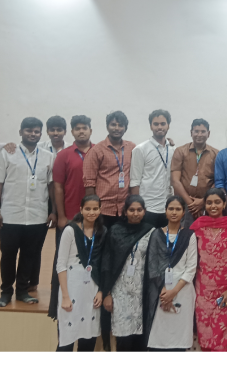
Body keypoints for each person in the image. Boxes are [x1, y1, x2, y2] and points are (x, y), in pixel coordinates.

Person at [0, 117, 56, 307]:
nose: (32, 134)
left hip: (37, 216)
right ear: (20, 132)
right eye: (28, 130)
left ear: (40, 134)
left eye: (36, 131)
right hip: (11, 215)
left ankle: (22, 291)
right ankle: (5, 292)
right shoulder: (7, 153)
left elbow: (51, 186)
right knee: (8, 256)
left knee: (29, 255)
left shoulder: (48, 157)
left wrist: (53, 211)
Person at [83, 110, 134, 351]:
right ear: (107, 126)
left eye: (120, 124)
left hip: (123, 213)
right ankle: (100, 307)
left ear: (125, 127)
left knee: (119, 262)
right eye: (113, 124)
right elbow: (89, 185)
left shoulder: (133, 148)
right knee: (101, 261)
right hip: (102, 214)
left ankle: (118, 307)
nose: (116, 128)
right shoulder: (96, 151)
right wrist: (92, 215)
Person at [48, 115, 94, 320]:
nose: (81, 131)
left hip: (92, 217)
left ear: (91, 130)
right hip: (69, 218)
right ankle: (56, 305)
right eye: (77, 128)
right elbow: (57, 187)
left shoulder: (98, 151)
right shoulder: (63, 155)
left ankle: (87, 301)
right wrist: (61, 216)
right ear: (72, 132)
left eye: (85, 128)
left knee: (89, 259)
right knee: (62, 260)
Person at [190, 188, 227, 351]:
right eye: (209, 203)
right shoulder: (197, 226)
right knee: (204, 334)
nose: (213, 206)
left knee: (223, 337)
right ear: (205, 205)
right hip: (203, 291)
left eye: (217, 202)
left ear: (224, 204)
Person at [101, 195, 155, 351]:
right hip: (120, 293)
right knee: (123, 339)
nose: (135, 213)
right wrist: (107, 293)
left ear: (144, 211)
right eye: (131, 210)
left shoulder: (151, 231)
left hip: (141, 293)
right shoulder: (115, 231)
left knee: (141, 338)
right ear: (125, 211)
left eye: (139, 210)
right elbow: (107, 263)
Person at [144, 196, 197, 351]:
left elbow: (191, 267)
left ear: (183, 212)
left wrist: (173, 292)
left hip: (183, 289)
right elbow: (152, 266)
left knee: (179, 337)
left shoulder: (189, 235)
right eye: (171, 209)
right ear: (165, 211)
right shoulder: (156, 234)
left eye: (178, 209)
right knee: (159, 336)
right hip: (159, 290)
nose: (174, 212)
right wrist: (164, 293)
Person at [56, 195, 106, 352]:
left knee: (88, 343)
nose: (91, 212)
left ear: (100, 210)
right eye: (88, 209)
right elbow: (61, 265)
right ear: (81, 210)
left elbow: (104, 265)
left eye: (95, 209)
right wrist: (65, 296)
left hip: (92, 291)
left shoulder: (102, 232)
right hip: (71, 289)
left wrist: (101, 291)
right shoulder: (70, 230)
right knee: (66, 343)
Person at [130, 109, 175, 229]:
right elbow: (134, 181)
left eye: (163, 124)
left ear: (168, 126)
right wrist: (138, 208)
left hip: (168, 207)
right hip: (148, 207)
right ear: (151, 126)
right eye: (156, 124)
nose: (159, 127)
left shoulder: (173, 150)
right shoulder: (140, 149)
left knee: (165, 240)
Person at [170, 118, 218, 227]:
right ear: (191, 133)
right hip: (184, 204)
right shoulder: (180, 151)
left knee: (206, 233)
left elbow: (218, 181)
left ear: (208, 134)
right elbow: (175, 181)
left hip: (207, 204)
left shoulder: (216, 154)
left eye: (203, 131)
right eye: (196, 131)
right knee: (184, 233)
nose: (199, 134)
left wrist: (203, 201)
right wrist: (191, 204)